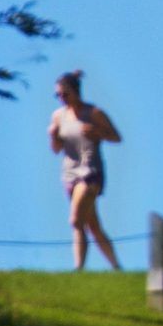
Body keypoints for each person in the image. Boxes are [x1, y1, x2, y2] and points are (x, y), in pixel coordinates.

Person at [47, 69, 122, 270]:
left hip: (90, 172)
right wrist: (53, 136)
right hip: (69, 174)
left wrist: (97, 132)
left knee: (75, 221)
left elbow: (116, 137)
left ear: (76, 91)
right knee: (94, 227)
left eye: (65, 94)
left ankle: (78, 268)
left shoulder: (94, 113)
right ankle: (117, 267)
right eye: (58, 95)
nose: (62, 98)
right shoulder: (58, 117)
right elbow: (56, 150)